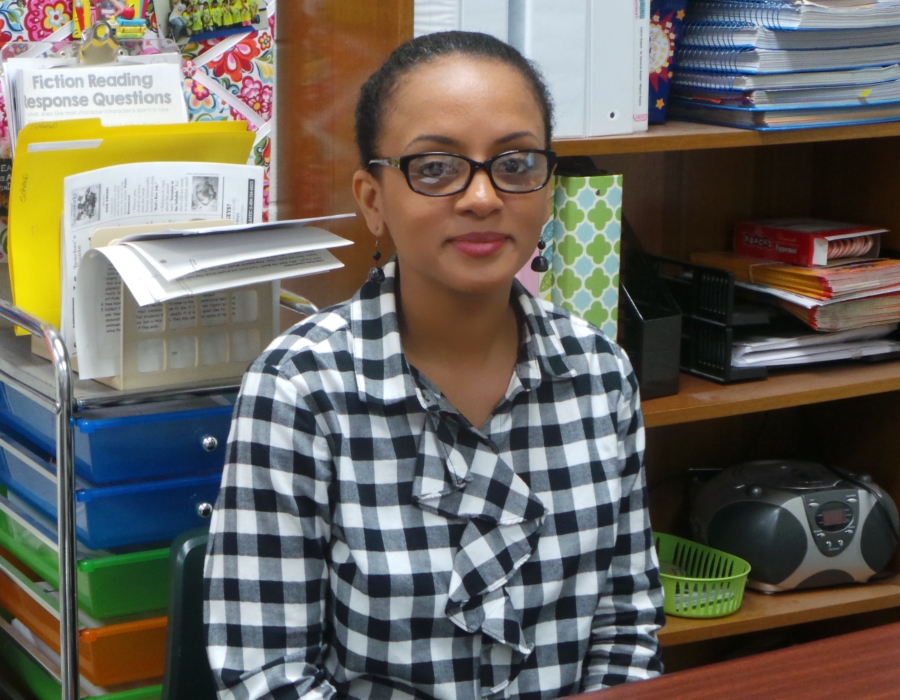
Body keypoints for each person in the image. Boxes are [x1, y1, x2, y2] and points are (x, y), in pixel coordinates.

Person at [204, 30, 664, 700]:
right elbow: (267, 676)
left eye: (514, 163)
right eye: (436, 168)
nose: (482, 197)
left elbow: (626, 627)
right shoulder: (301, 388)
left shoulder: (599, 374)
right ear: (372, 199)